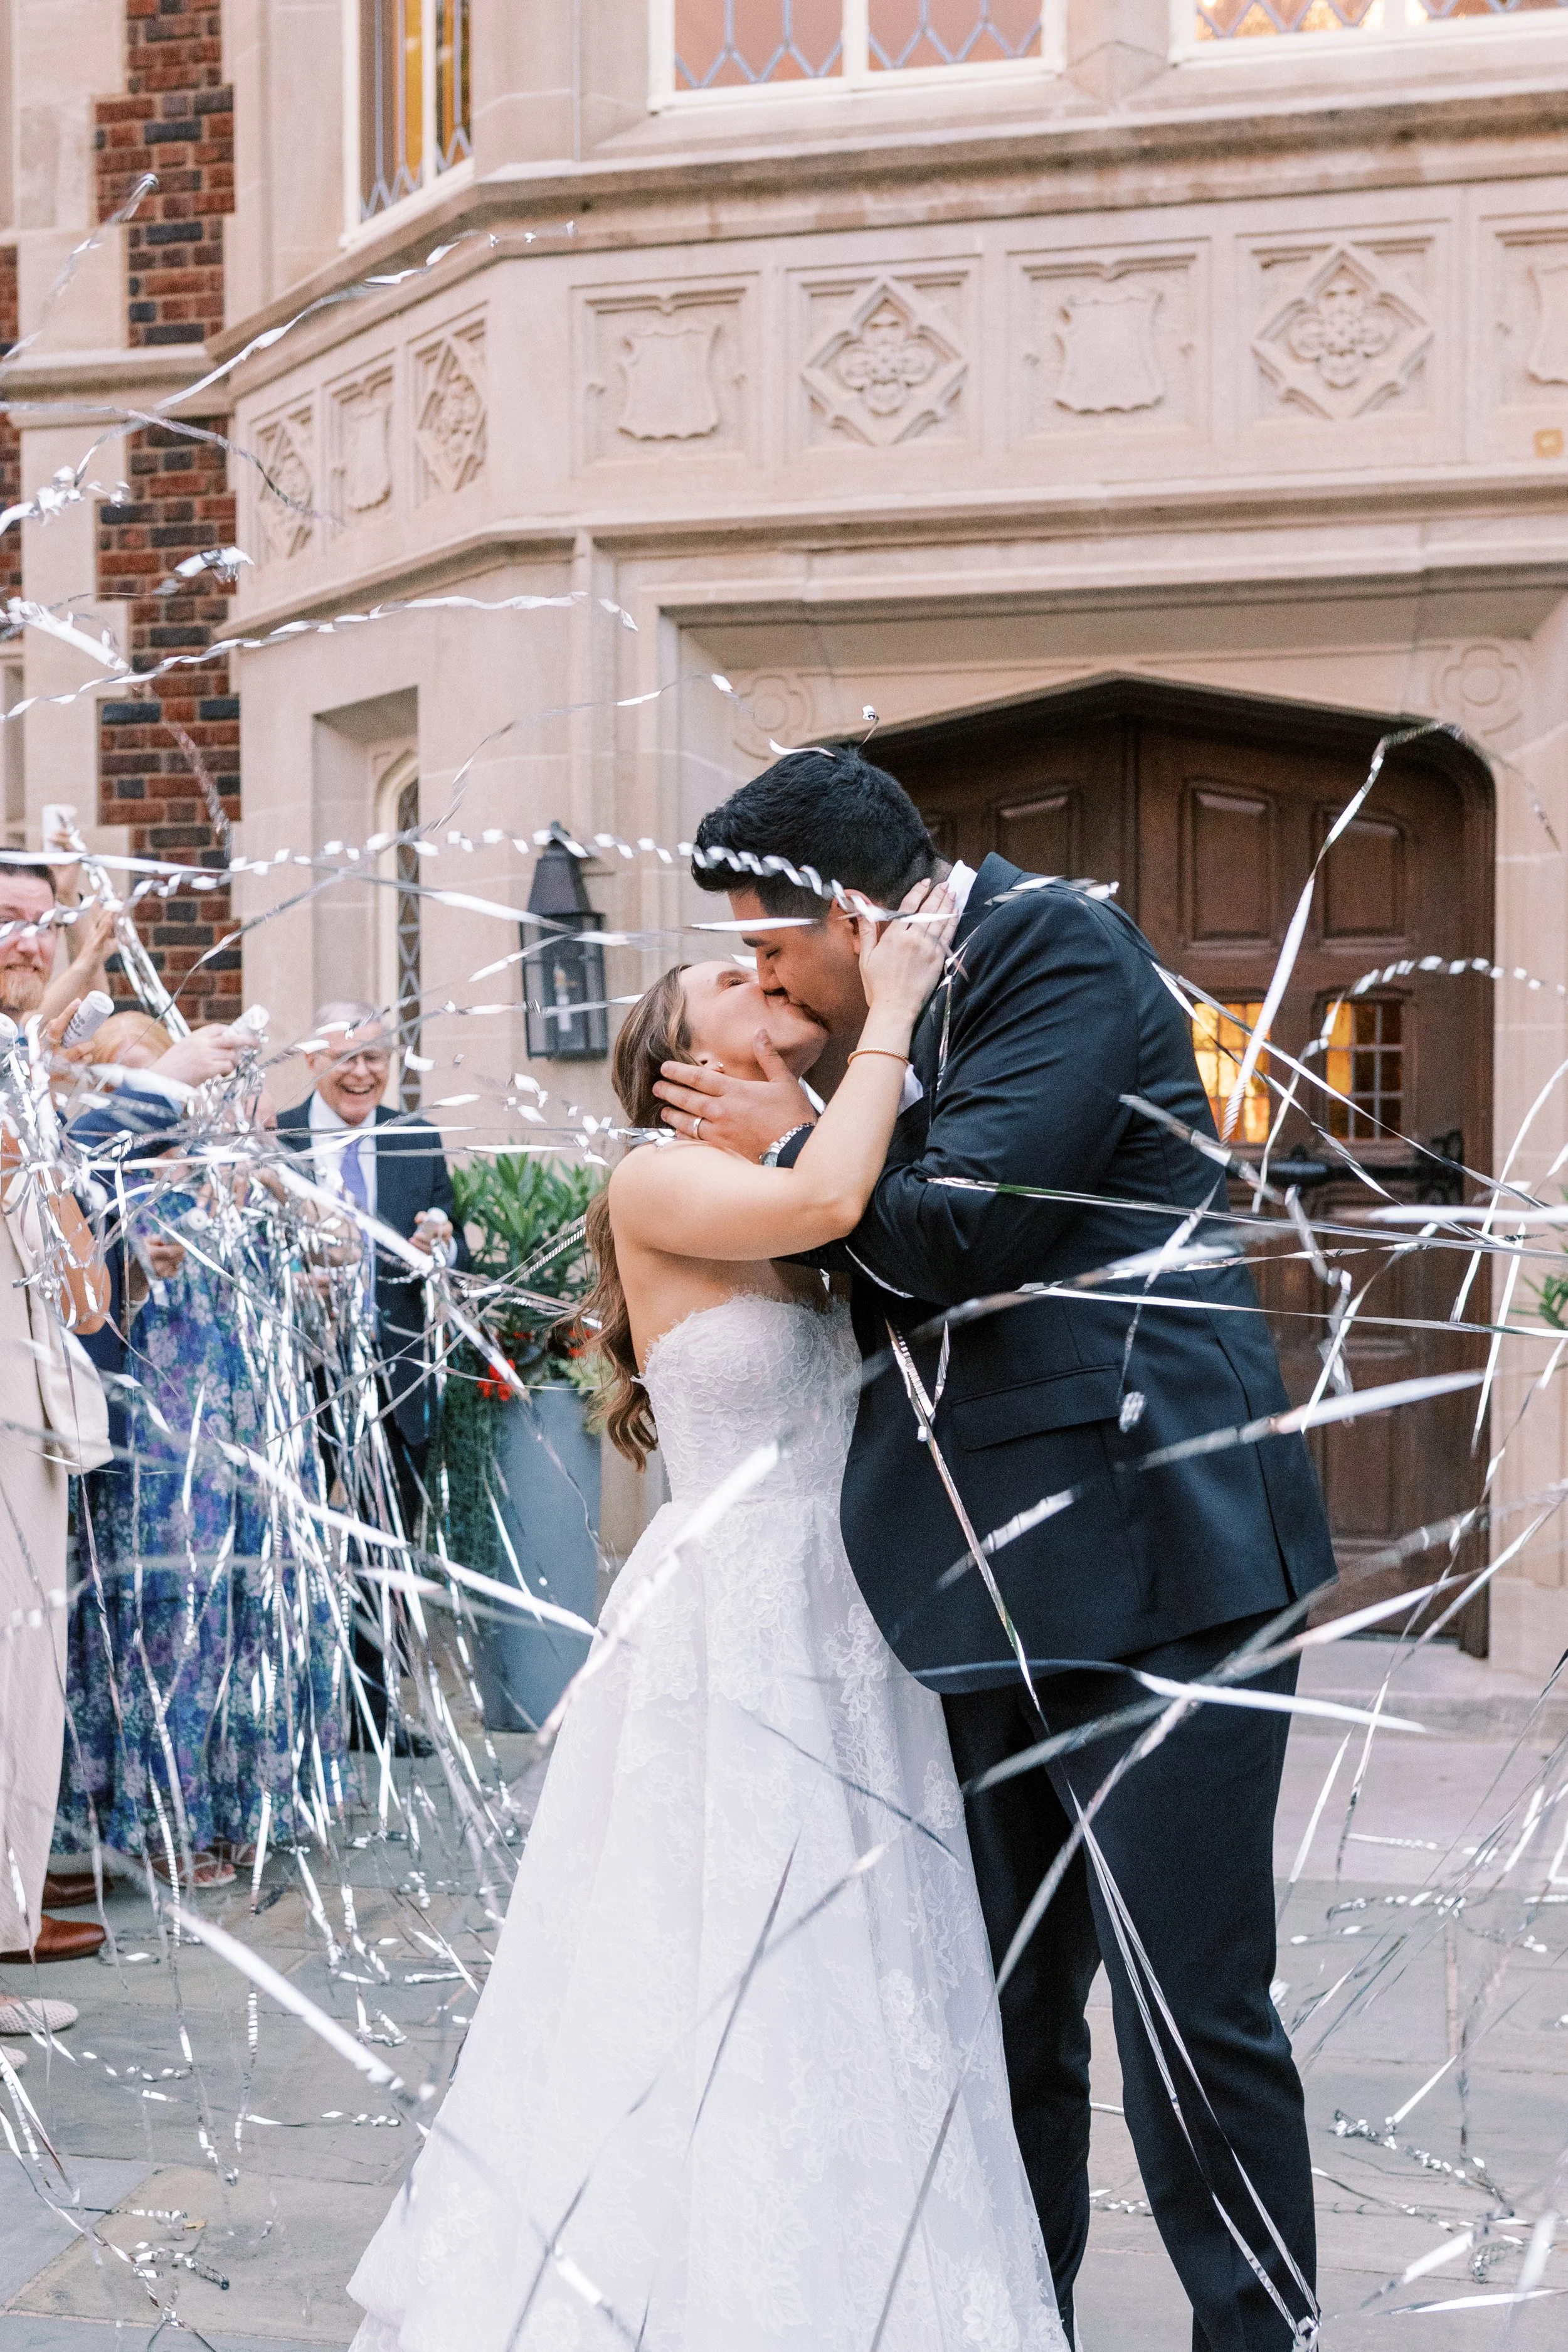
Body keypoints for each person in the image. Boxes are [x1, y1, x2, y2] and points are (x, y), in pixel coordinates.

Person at [649, 750, 1338, 2351]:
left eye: (771, 953)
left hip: (1162, 1548)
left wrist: (790, 1145)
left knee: (1190, 2009)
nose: (766, 987)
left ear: (852, 914)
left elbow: (968, 1227)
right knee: (1008, 2009)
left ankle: (1255, 2338)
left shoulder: (1057, 949)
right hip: (971, 1578)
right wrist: (808, 1140)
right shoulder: (876, 1026)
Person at [347, 908, 1071, 2352]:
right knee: (717, 1940)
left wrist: (837, 1097)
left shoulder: (803, 1151)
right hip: (732, 1621)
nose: (773, 972)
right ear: (682, 1065)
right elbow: (821, 1212)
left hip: (853, 1622)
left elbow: (896, 1228)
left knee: (872, 1956)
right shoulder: (662, 1179)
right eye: (735, 979)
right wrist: (890, 1019)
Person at [55, 1019, 347, 1886]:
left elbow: (296, 1272)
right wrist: (141, 1270)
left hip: (246, 1426)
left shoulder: (233, 1174)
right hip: (160, 1441)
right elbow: (93, 1305)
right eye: (142, 1078)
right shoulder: (100, 1179)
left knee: (245, 1613)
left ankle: (241, 1807)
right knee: (170, 1624)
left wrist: (303, 1248)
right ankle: (158, 1827)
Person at [275, 1003, 467, 1745]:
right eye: (345, 1058)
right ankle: (286, 1711)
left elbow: (457, 1250)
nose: (361, 1072)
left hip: (395, 1377)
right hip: (294, 1375)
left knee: (382, 1551)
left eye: (375, 1058)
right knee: (285, 1542)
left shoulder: (415, 1138)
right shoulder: (278, 1139)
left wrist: (439, 1247)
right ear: (312, 1061)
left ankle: (370, 1718)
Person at [0, 863, 111, 1969]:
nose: (29, 944)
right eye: (5, 923)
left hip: (35, 1421)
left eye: (46, 927)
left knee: (26, 1683)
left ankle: (8, 1923)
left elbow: (90, 1295)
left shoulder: (24, 1079)